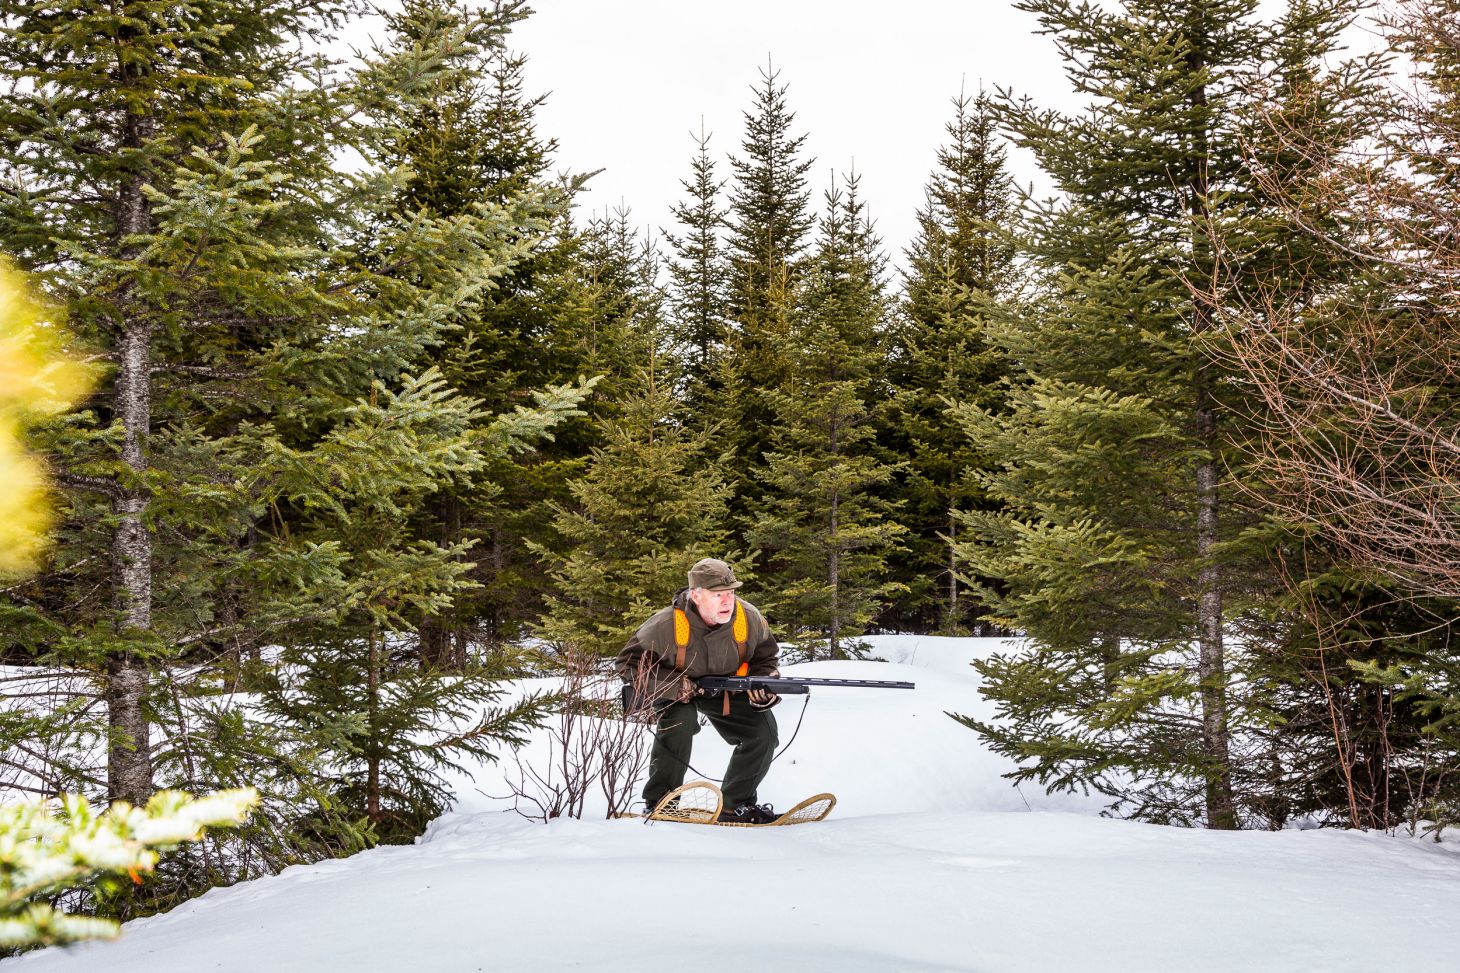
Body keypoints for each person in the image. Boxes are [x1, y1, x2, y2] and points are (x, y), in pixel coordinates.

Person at [617, 557, 782, 824]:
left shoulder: (749, 618)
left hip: (727, 690)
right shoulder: (665, 624)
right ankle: (661, 802)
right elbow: (629, 664)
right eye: (718, 595)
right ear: (696, 595)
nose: (728, 601)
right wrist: (673, 686)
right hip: (677, 690)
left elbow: (766, 658)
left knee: (763, 733)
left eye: (730, 593)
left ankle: (735, 805)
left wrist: (763, 683)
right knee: (680, 723)